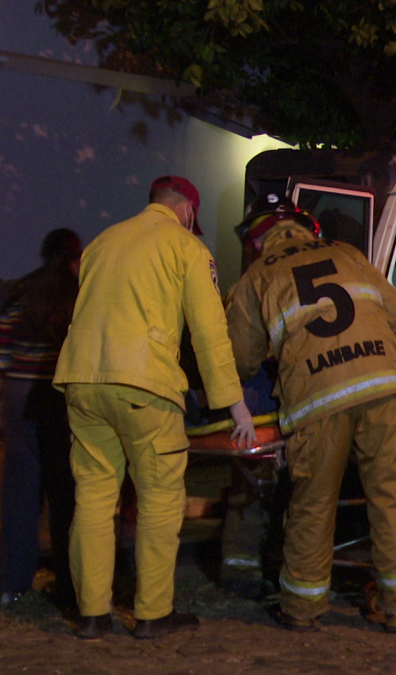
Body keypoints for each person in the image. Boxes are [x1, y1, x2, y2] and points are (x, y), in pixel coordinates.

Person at [53, 175, 256, 640]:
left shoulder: (103, 242)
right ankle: (152, 613)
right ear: (187, 210)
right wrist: (234, 405)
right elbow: (208, 332)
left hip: (82, 380)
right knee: (161, 498)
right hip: (145, 384)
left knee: (94, 497)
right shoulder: (185, 247)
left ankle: (91, 613)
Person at [226, 193, 396, 633]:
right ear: (305, 228)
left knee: (313, 502)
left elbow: (240, 358)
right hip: (384, 385)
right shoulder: (348, 253)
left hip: (318, 398)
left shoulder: (257, 275)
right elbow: (394, 313)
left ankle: (301, 609)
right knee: (392, 492)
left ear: (258, 240)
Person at [0, 228, 82, 609]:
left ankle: (13, 583)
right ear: (73, 258)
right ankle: (69, 584)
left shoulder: (20, 291)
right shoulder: (79, 295)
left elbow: (3, 351)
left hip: (17, 394)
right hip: (60, 395)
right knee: (65, 491)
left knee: (20, 492)